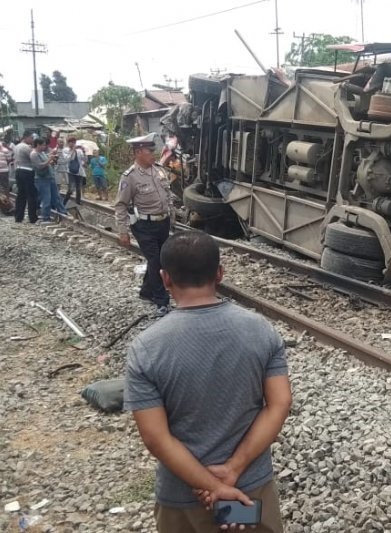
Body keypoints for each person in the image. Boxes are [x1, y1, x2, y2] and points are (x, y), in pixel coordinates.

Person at [124, 231, 291, 533]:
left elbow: (156, 438)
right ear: (219, 273)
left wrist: (210, 485)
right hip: (246, 492)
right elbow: (279, 404)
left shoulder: (146, 347)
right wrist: (231, 472)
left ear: (165, 279)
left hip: (184, 499)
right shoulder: (262, 331)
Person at [114, 133, 173, 314]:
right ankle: (161, 301)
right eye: (149, 151)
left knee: (158, 260)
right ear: (139, 152)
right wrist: (122, 231)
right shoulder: (129, 177)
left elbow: (167, 196)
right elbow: (121, 205)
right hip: (144, 226)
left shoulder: (158, 170)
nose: (153, 154)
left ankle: (146, 291)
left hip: (162, 222)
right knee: (156, 260)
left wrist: (172, 218)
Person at [30, 138, 67, 221]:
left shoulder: (42, 153)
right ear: (38, 145)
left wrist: (52, 158)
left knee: (56, 197)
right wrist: (50, 159)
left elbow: (47, 161)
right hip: (42, 179)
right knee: (46, 199)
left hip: (50, 177)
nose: (44, 146)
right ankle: (46, 217)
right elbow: (40, 166)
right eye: (43, 145)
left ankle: (63, 212)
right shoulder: (34, 154)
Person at [14, 130, 38, 223]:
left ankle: (18, 216)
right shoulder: (26, 147)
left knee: (20, 195)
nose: (32, 140)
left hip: (18, 170)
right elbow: (33, 158)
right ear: (26, 137)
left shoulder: (17, 146)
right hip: (27, 171)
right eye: (31, 138)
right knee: (31, 195)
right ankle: (32, 217)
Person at [63, 137, 86, 206]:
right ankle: (65, 202)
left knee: (78, 187)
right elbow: (69, 159)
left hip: (79, 171)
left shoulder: (79, 151)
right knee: (71, 188)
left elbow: (84, 159)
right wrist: (73, 150)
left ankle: (78, 202)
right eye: (71, 142)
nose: (72, 144)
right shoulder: (65, 150)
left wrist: (84, 152)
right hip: (71, 171)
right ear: (68, 143)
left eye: (74, 142)